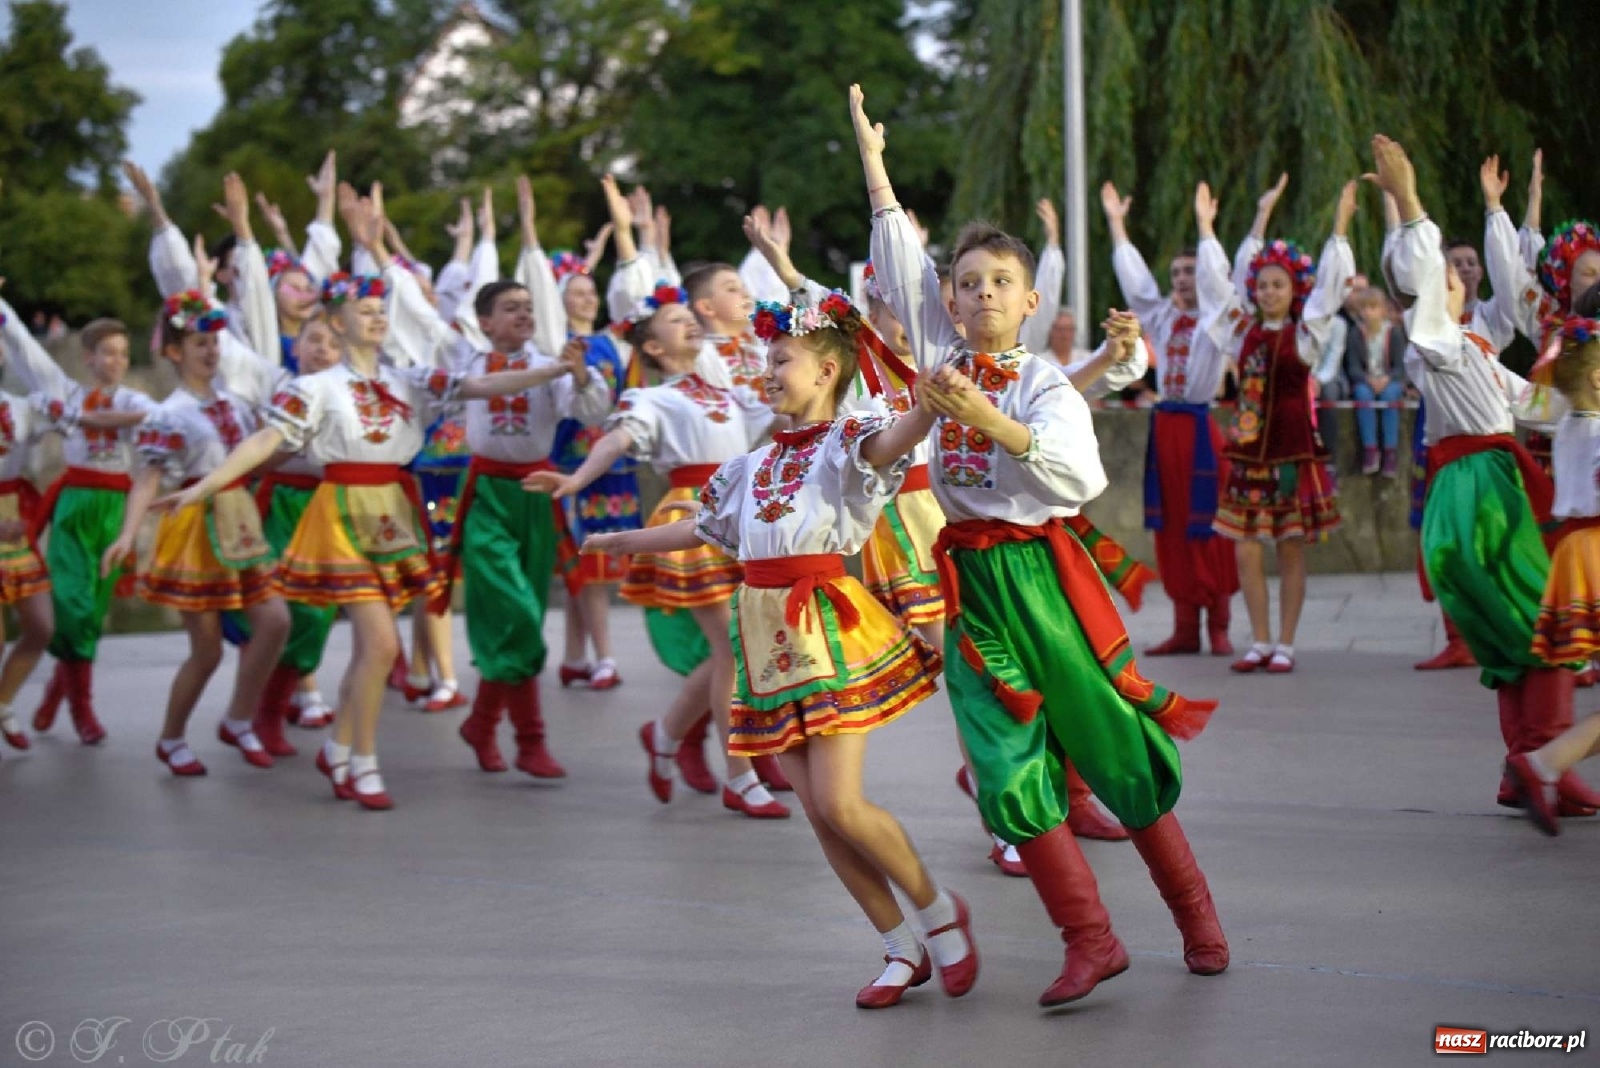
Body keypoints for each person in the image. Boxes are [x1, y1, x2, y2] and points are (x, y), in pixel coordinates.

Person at [856, 83, 1226, 1009]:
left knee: (1111, 743)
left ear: (1030, 302)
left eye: (1000, 284)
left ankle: (1196, 918)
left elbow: (1075, 478)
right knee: (1001, 763)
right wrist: (876, 170)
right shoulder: (940, 353)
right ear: (951, 297)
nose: (982, 294)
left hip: (1044, 576)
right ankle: (1090, 939)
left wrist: (990, 420)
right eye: (969, 282)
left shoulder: (1046, 384)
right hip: (973, 581)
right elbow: (900, 264)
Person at [585, 292, 979, 1008]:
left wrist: (930, 403)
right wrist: (618, 540)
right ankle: (898, 947)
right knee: (817, 809)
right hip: (763, 634)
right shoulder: (754, 462)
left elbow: (896, 441)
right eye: (766, 360)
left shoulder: (847, 442)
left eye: (781, 360)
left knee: (840, 800)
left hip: (824, 626)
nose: (766, 372)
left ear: (828, 371)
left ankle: (938, 909)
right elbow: (702, 529)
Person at [1373, 136, 1600, 818]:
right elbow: (1421, 284)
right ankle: (1543, 762)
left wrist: (1584, 389)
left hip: (1483, 484)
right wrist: (1408, 199)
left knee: (1515, 632)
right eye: (1444, 272)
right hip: (1479, 491)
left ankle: (1524, 765)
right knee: (1550, 621)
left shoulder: (1467, 343)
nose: (1455, 276)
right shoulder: (1433, 341)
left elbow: (1534, 405)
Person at [527, 266, 790, 820]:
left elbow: (782, 411)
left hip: (735, 512)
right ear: (652, 344)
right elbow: (616, 439)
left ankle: (667, 733)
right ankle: (738, 774)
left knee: (734, 649)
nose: (691, 323)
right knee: (734, 649)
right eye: (676, 320)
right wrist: (577, 480)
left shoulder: (725, 392)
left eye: (692, 317)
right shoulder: (650, 398)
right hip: (690, 517)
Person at [414, 176, 613, 781]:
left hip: (538, 491)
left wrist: (579, 378)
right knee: (518, 612)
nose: (524, 314)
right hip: (484, 496)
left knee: (525, 609)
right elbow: (432, 403)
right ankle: (527, 736)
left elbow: (596, 414)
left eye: (529, 307)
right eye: (511, 308)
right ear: (483, 320)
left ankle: (488, 726)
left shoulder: (555, 364)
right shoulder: (466, 364)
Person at [104, 290, 290, 777]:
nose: (211, 352)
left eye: (214, 343)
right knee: (206, 650)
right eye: (200, 344)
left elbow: (259, 459)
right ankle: (171, 737)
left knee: (274, 622)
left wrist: (304, 446)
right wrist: (127, 534)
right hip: (196, 523)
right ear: (174, 352)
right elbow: (147, 478)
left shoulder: (238, 402)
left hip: (241, 518)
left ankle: (238, 717)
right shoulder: (170, 414)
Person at [1207, 177, 1358, 674]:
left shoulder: (1307, 333)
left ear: (1294, 290)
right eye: (1263, 284)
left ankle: (1287, 642)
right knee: (1246, 549)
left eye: (1279, 284)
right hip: (1249, 453)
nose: (1269, 291)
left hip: (1293, 450)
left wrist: (1340, 224)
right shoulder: (1241, 331)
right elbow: (1227, 278)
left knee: (1290, 546)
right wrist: (1260, 216)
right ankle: (1260, 639)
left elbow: (1333, 286)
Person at [1103, 179, 1240, 658]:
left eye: (1191, 272)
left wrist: (1206, 230)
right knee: (1174, 525)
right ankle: (1185, 625)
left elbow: (1219, 286)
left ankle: (1218, 624)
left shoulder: (1216, 321)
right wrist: (1118, 225)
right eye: (1178, 273)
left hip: (1200, 429)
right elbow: (1137, 285)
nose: (1184, 279)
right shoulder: (1160, 317)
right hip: (1166, 430)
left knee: (1211, 524)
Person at [20, 316, 153, 745]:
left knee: (91, 614)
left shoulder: (132, 398)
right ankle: (83, 710)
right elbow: (28, 354)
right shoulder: (68, 393)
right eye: (108, 352)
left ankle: (58, 692)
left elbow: (147, 417)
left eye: (124, 354)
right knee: (71, 604)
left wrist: (83, 417)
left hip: (114, 508)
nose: (116, 361)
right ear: (89, 357)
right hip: (76, 504)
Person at [1344, 286, 1409, 475]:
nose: (1368, 312)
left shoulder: (1394, 333)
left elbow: (1400, 365)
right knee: (1362, 394)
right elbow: (1353, 365)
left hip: (1390, 381)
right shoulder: (1356, 333)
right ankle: (1370, 449)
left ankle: (1390, 451)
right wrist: (1367, 379)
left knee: (1390, 396)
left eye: (1373, 307)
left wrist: (1388, 379)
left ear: (1383, 310)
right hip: (1366, 381)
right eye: (1364, 308)